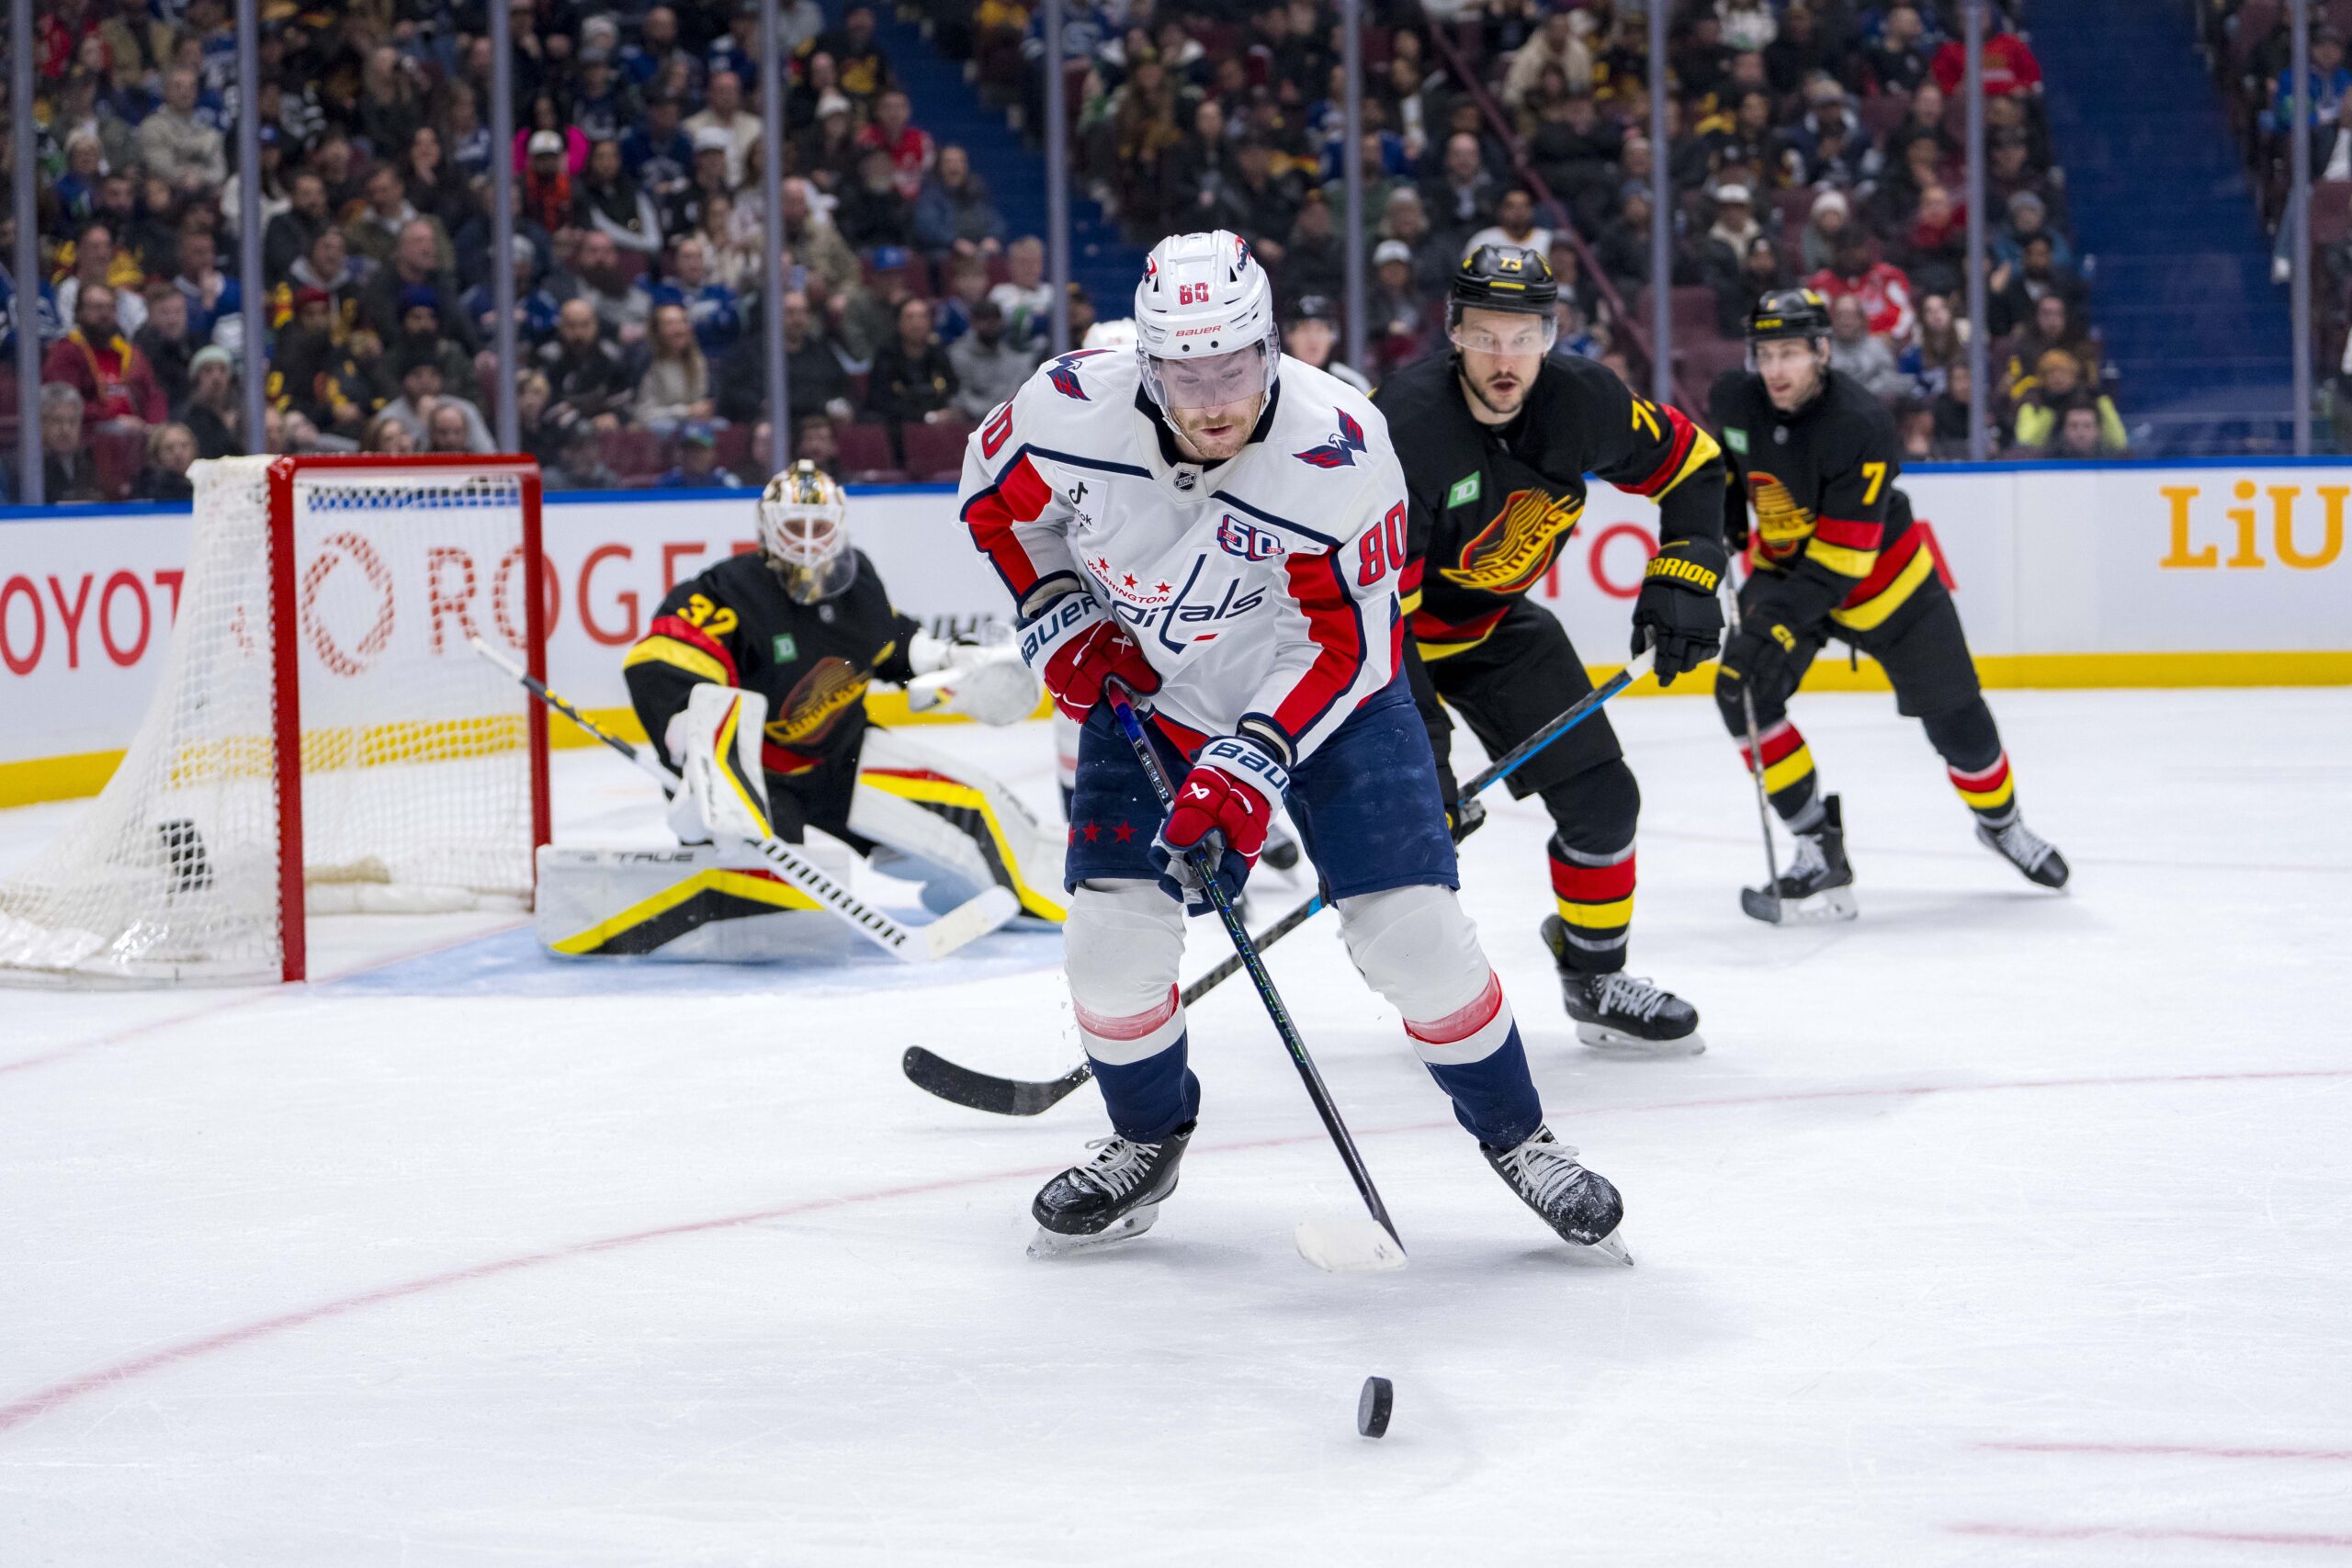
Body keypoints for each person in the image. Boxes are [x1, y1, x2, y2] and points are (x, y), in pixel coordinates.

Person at [955, 229, 1632, 1261]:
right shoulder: (1063, 406)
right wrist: (1055, 608)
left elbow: (1342, 645)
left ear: (1271, 347)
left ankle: (1519, 1136)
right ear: (1147, 363)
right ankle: (1144, 1138)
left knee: (1411, 936)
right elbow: (997, 505)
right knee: (1109, 944)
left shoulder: (1341, 446)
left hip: (1338, 699)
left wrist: (1250, 761)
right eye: (1187, 374)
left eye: (1235, 365)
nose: (1215, 396)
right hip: (1154, 694)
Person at [1370, 245, 1726, 1056]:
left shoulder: (1586, 401)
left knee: (1606, 805)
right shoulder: (1404, 430)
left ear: (1551, 335)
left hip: (1494, 628)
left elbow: (1696, 468)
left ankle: (1595, 976)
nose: (1506, 358)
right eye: (1487, 336)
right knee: (1408, 838)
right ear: (1454, 333)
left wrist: (1688, 569)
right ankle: (1430, 997)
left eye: (1524, 336)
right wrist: (1422, 757)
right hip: (1375, 646)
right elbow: (1378, 620)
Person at [1708, 289, 2070, 919]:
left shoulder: (1861, 422)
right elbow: (1732, 468)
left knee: (1960, 725)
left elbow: (1846, 560)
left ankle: (2001, 821)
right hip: (1791, 569)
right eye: (1764, 353)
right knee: (1742, 686)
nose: (1775, 369)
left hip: (1887, 582)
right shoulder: (1733, 400)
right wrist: (1724, 517)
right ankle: (1819, 846)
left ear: (1822, 350)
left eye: (1790, 352)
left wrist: (1779, 620)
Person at [626, 460, 1060, 929]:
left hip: (842, 758)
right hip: (757, 775)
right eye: (795, 526)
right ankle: (725, 886)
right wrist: (689, 739)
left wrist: (946, 661)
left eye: (821, 526)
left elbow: (891, 642)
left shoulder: (859, 584)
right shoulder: (728, 592)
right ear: (767, 529)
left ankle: (1058, 896)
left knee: (978, 806)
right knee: (769, 913)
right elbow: (661, 661)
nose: (809, 541)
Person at [948, 299, 1034, 422]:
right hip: (970, 424)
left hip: (1007, 422)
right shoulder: (958, 354)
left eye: (995, 320)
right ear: (973, 322)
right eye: (985, 319)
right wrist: (992, 413)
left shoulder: (1011, 356)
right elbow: (959, 394)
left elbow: (1020, 390)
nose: (990, 324)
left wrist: (1002, 412)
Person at [1279, 295, 1370, 394]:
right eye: (1304, 329)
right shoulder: (1274, 381)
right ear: (1289, 336)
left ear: (1333, 336)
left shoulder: (1352, 384)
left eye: (1320, 330)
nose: (1313, 339)